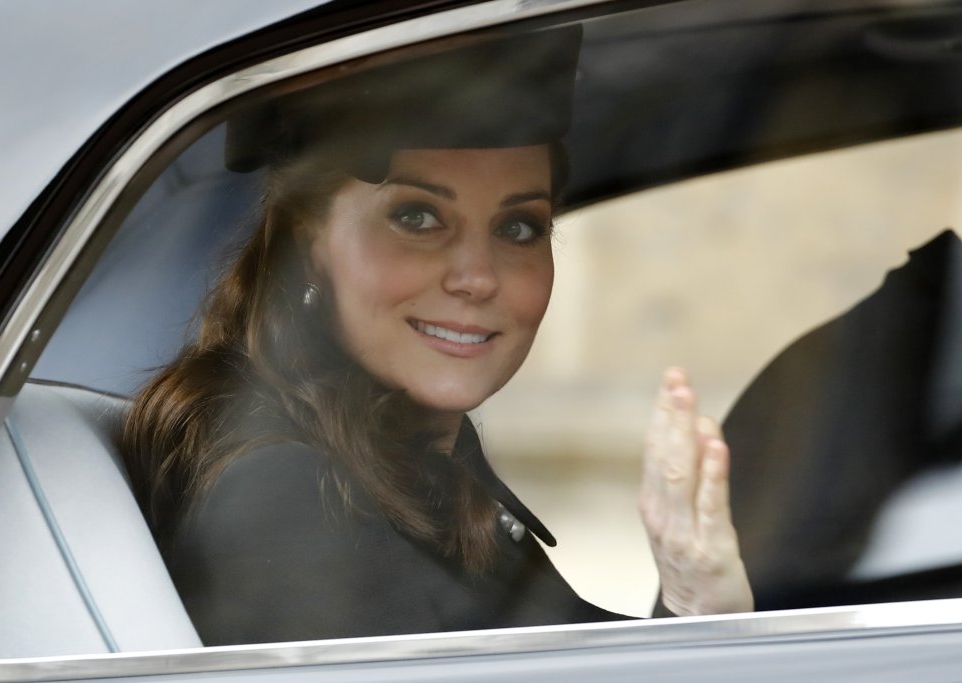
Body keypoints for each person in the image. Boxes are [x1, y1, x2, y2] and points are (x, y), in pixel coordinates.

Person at [121, 27, 752, 646]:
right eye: (417, 217)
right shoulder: (291, 495)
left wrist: (696, 602)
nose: (477, 278)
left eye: (519, 228)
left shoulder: (413, 468)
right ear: (306, 245)